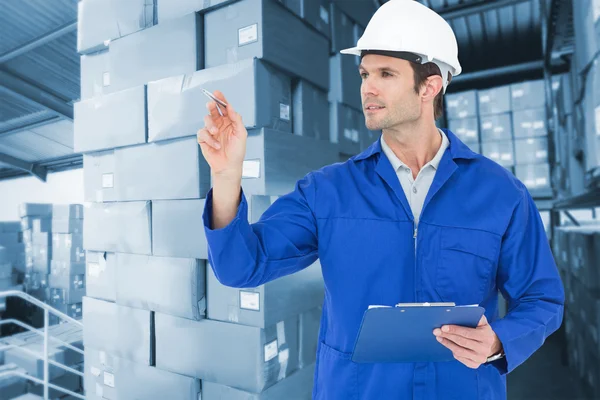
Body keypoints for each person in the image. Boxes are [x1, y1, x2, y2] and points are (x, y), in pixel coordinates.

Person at [196, 0, 565, 398]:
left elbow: (541, 298)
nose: (367, 87)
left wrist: (498, 340)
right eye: (365, 73)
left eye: (386, 74)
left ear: (430, 85)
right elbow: (240, 266)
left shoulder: (500, 194)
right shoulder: (328, 191)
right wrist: (227, 175)